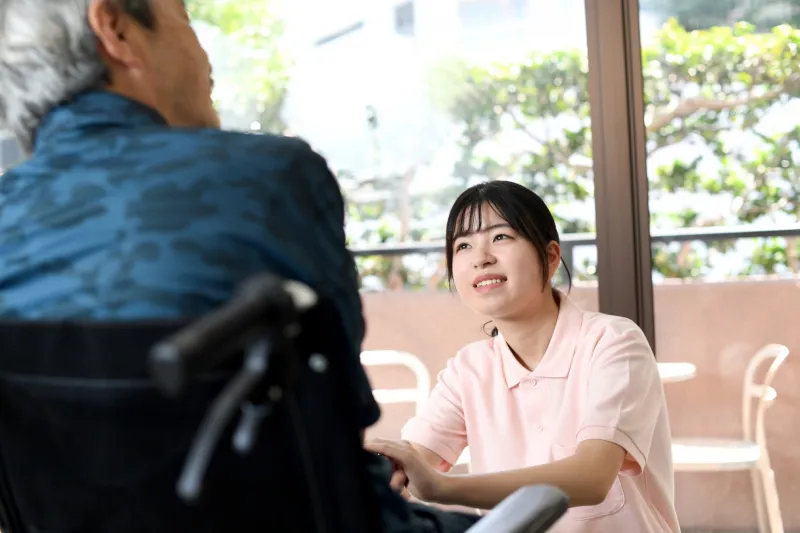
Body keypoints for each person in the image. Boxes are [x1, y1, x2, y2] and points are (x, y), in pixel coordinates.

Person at [0, 1, 478, 532]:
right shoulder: (268, 179)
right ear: (115, 28)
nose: (205, 58)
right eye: (184, 17)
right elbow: (342, 417)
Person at [367, 181, 681, 532]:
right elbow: (412, 459)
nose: (481, 257)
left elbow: (594, 476)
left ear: (549, 256)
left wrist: (444, 487)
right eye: (463, 245)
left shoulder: (613, 342)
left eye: (500, 237)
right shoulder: (470, 369)